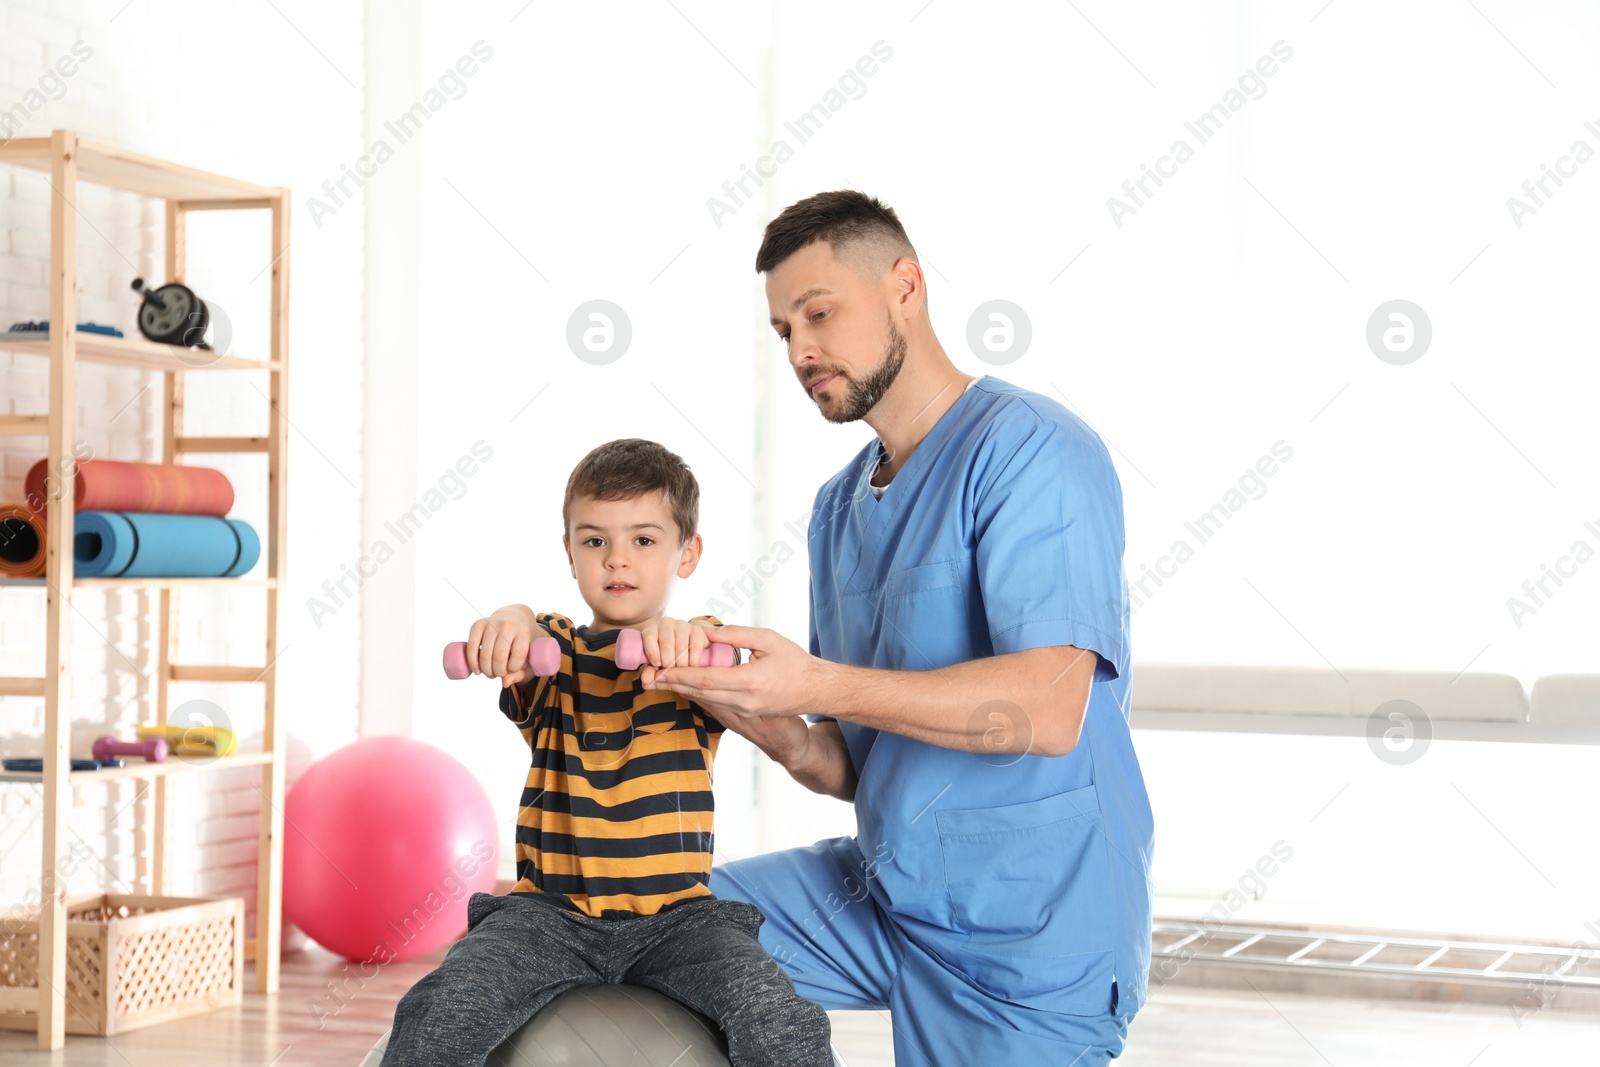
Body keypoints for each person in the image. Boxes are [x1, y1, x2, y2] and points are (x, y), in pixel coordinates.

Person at [640, 191, 1156, 1065]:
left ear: (905, 287)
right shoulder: (838, 509)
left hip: (1030, 939)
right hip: (885, 898)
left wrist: (813, 681)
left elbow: (1049, 709)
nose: (801, 350)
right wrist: (753, 707)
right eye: (783, 331)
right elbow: (845, 761)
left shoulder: (1032, 450)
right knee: (646, 927)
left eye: (819, 312)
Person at [381, 438, 833, 1067]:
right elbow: (527, 628)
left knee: (781, 1018)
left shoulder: (698, 655)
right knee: (439, 1012)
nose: (618, 559)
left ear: (688, 553)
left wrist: (691, 641)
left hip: (678, 920)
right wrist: (508, 621)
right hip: (546, 917)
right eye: (595, 541)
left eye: (644, 540)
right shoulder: (555, 655)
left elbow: (774, 712)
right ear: (569, 554)